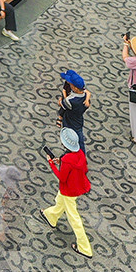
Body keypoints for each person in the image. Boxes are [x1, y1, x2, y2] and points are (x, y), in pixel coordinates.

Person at [40, 128, 93, 257]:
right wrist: (61, 161)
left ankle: (84, 248)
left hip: (68, 190)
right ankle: (50, 216)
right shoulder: (79, 153)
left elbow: (62, 178)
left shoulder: (67, 159)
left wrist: (51, 163)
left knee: (74, 218)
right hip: (77, 187)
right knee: (60, 202)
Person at [56, 70, 90, 155]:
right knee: (80, 140)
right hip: (78, 121)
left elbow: (62, 104)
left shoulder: (71, 100)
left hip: (69, 122)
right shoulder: (85, 96)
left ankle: (70, 157)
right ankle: (82, 157)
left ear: (74, 88)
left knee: (69, 141)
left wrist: (60, 101)